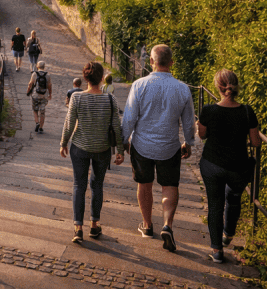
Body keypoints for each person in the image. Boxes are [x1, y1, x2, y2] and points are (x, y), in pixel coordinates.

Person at [121, 44, 195, 252]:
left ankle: (147, 225)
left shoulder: (139, 85)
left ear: (151, 62)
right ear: (172, 62)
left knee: (144, 184)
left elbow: (129, 117)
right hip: (169, 146)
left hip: (142, 145)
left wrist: (123, 140)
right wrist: (188, 143)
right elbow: (189, 122)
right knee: (169, 186)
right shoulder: (182, 88)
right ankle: (167, 225)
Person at [198, 69, 261, 264]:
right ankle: (228, 234)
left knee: (215, 205)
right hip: (238, 166)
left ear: (218, 87)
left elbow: (202, 135)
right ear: (236, 87)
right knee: (233, 199)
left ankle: (217, 250)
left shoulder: (208, 110)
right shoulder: (246, 111)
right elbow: (256, 142)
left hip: (212, 164)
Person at [60, 61, 125, 244]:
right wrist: (120, 150)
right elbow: (116, 126)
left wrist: (64, 142)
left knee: (78, 186)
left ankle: (78, 228)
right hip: (102, 149)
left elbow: (69, 123)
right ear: (102, 78)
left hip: (80, 147)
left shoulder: (77, 98)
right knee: (97, 186)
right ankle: (94, 226)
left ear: (85, 77)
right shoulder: (110, 99)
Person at [26, 60, 51, 133]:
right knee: (42, 112)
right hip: (44, 96)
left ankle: (37, 122)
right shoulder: (48, 75)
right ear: (44, 67)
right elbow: (49, 85)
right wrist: (50, 94)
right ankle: (41, 127)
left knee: (35, 109)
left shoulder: (34, 74)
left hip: (35, 95)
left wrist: (28, 91)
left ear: (37, 66)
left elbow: (30, 84)